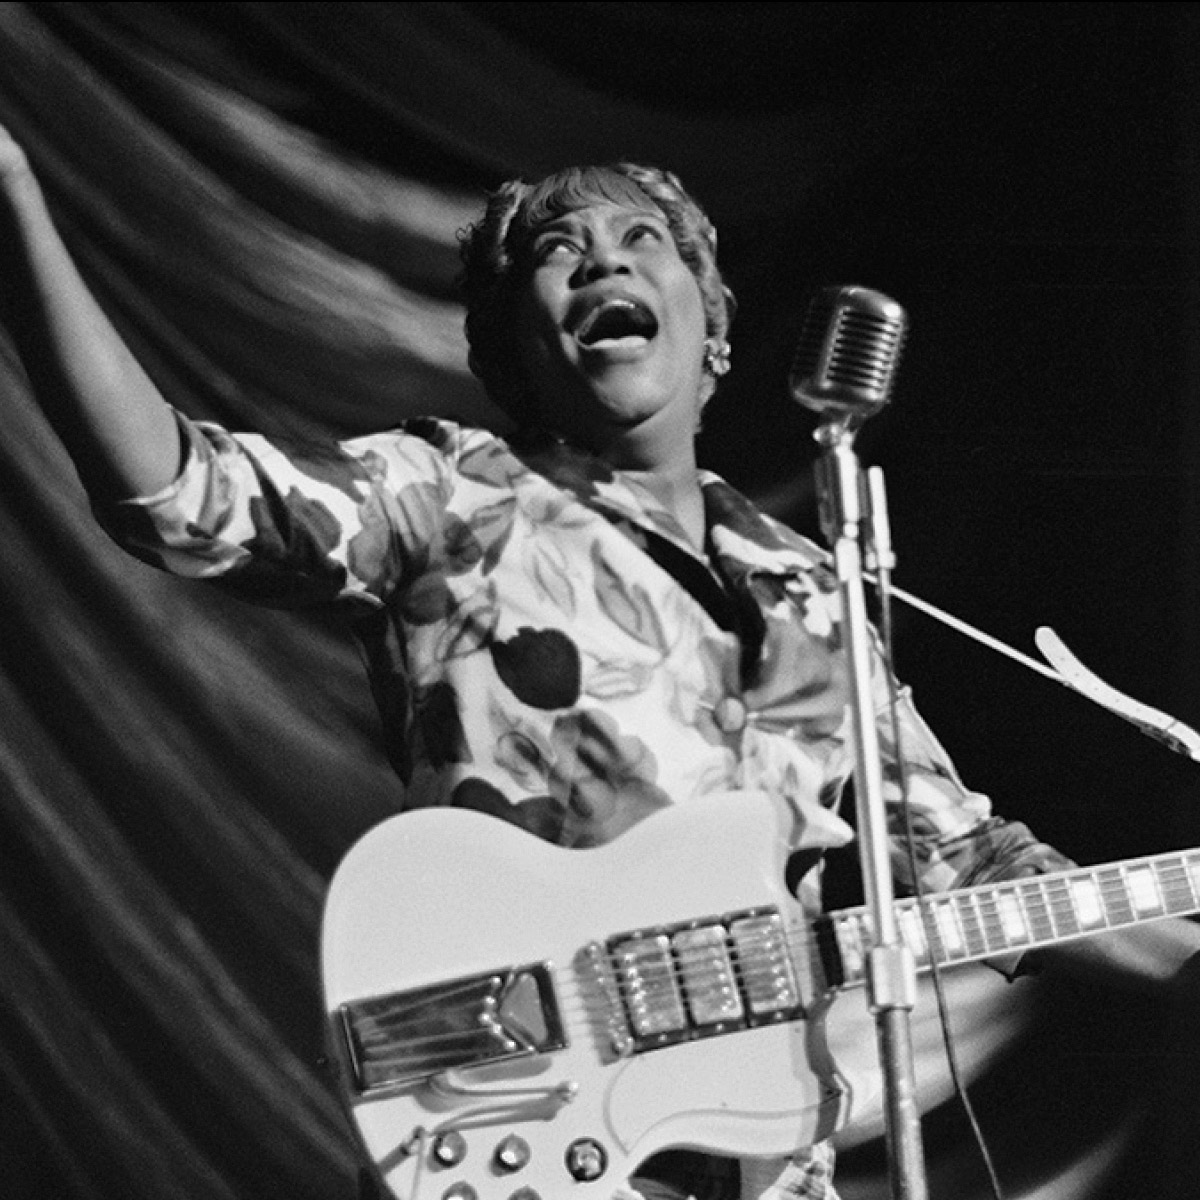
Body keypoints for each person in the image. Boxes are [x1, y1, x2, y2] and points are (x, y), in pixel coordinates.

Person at [3, 119, 1199, 1200]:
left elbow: (963, 862)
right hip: (528, 1128)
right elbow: (178, 495)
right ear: (514, 342)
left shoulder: (806, 581)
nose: (605, 262)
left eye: (642, 240)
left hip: (766, 1162)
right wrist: (15, 198)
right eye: (557, 251)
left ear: (711, 324)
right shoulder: (450, 498)